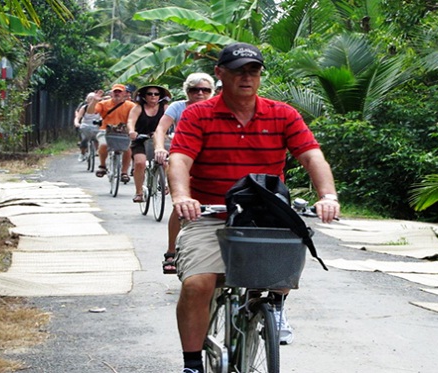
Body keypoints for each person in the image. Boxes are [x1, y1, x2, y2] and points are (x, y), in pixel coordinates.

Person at [168, 42, 341, 373]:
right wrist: (181, 197)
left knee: (284, 267)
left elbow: (310, 155)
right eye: (237, 71)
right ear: (220, 74)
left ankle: (266, 306)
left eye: (253, 70)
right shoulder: (198, 114)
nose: (246, 77)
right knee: (197, 284)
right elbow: (180, 158)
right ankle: (192, 365)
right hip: (211, 215)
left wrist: (328, 195)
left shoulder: (282, 113)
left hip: (264, 214)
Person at [152, 73, 215, 274]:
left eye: (205, 90)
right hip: (183, 156)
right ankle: (171, 252)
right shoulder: (177, 107)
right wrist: (160, 148)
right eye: (194, 90)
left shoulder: (217, 108)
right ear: (187, 91)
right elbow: (161, 129)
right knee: (179, 204)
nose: (200, 93)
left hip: (210, 159)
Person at [126, 85, 171, 202]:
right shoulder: (138, 108)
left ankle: (162, 181)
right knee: (140, 163)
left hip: (160, 140)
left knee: (165, 163)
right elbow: (131, 121)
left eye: (156, 94)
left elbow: (175, 120)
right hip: (140, 139)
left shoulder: (165, 108)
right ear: (144, 96)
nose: (153, 96)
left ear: (160, 96)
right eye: (150, 94)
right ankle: (139, 192)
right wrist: (132, 131)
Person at [86, 84, 135, 179]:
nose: (117, 94)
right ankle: (102, 166)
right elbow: (90, 112)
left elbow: (136, 117)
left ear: (124, 93)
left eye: (119, 92)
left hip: (124, 132)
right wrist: (94, 101)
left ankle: (124, 172)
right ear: (111, 93)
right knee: (103, 145)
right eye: (115, 92)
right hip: (106, 131)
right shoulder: (103, 103)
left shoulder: (131, 105)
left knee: (128, 149)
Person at [76, 92, 102, 162]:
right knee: (84, 139)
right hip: (86, 126)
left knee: (99, 138)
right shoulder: (84, 108)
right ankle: (82, 153)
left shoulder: (100, 107)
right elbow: (78, 117)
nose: (91, 100)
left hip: (97, 126)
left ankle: (98, 151)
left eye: (93, 98)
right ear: (87, 100)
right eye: (90, 99)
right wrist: (77, 123)